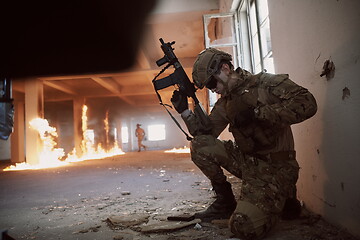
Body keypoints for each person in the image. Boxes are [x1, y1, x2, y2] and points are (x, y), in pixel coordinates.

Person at [170, 48, 317, 240]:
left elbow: (307, 102)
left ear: (225, 68)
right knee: (200, 145)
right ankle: (225, 201)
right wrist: (185, 112)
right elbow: (205, 135)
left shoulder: (265, 84)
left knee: (243, 227)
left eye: (212, 82)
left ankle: (285, 195)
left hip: (275, 168)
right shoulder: (226, 103)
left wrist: (258, 114)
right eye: (208, 86)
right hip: (247, 163)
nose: (212, 89)